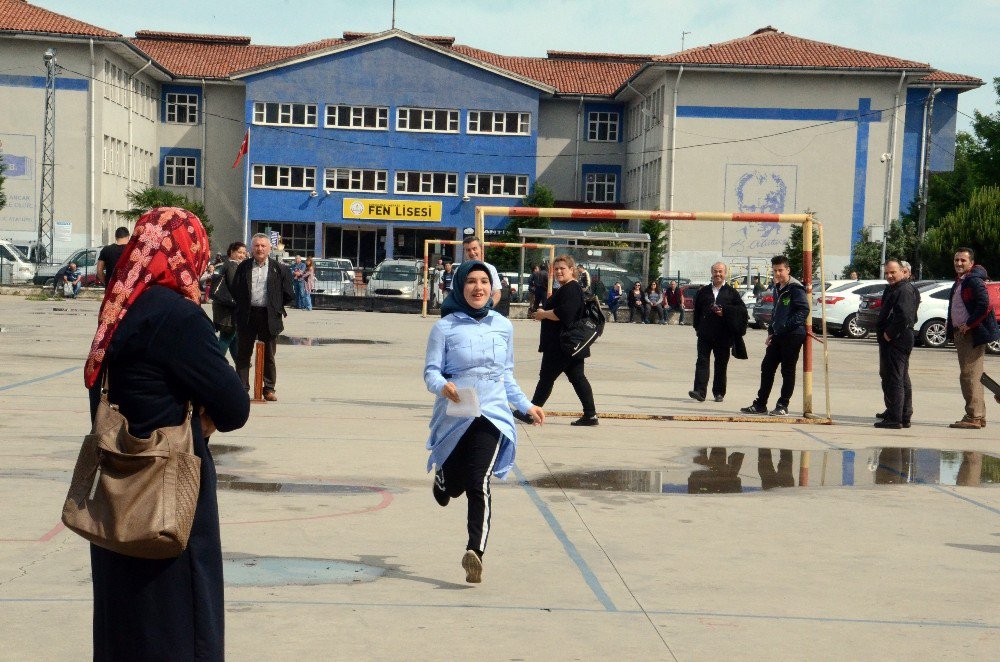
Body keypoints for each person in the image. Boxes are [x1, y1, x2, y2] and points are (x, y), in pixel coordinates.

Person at [82, 206, 250, 661]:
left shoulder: (117, 308)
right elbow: (234, 405)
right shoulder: (177, 316)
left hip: (118, 496)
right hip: (169, 497)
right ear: (187, 253)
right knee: (178, 627)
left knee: (126, 628)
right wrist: (201, 419)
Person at [424, 260, 544, 583]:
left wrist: (526, 405)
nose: (479, 287)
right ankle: (444, 478)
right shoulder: (445, 328)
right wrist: (442, 386)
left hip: (492, 413)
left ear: (493, 289)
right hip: (456, 413)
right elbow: (431, 372)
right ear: (461, 287)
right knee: (455, 482)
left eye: (484, 282)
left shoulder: (504, 326)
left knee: (479, 481)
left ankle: (474, 552)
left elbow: (507, 375)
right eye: (472, 282)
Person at [527, 255, 598, 426]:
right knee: (578, 378)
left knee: (546, 378)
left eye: (562, 268)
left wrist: (543, 314)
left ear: (572, 270)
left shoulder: (571, 288)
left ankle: (531, 414)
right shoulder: (568, 288)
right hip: (569, 344)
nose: (558, 271)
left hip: (561, 344)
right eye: (556, 268)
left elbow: (563, 314)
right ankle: (590, 415)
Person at [741, 255, 809, 416]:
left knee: (787, 370)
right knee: (767, 367)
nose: (778, 273)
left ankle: (783, 405)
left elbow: (803, 310)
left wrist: (786, 326)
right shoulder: (778, 287)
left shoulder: (795, 288)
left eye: (781, 270)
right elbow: (776, 312)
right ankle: (760, 404)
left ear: (788, 270)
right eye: (775, 271)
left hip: (793, 335)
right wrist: (772, 330)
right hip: (778, 335)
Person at [232, 233, 294, 402]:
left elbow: (288, 293)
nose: (260, 249)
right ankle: (242, 388)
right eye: (257, 246)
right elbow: (235, 289)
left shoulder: (279, 268)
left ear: (269, 248)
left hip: (269, 316)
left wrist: (276, 306)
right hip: (247, 315)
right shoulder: (243, 267)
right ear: (252, 248)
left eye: (263, 246)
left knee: (269, 355)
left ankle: (269, 389)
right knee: (243, 353)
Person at [946, 247, 1000, 429]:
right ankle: (977, 415)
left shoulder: (973, 280)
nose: (959, 263)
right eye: (956, 260)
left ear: (971, 263)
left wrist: (969, 324)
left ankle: (974, 416)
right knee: (971, 375)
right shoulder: (962, 281)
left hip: (971, 334)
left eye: (963, 260)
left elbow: (985, 304)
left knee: (970, 375)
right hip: (963, 333)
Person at [690, 262, 747, 403]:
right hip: (705, 334)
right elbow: (696, 312)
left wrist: (726, 312)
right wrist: (697, 328)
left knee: (721, 364)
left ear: (725, 273)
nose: (718, 274)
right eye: (715, 271)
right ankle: (700, 392)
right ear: (711, 272)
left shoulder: (732, 293)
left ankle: (719, 392)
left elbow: (742, 312)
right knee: (702, 362)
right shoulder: (703, 292)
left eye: (721, 271)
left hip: (723, 335)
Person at [874, 259, 920, 429]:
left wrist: (889, 334)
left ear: (903, 272)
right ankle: (901, 413)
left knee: (895, 378)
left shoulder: (905, 290)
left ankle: (896, 418)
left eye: (893, 272)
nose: (890, 276)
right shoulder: (894, 289)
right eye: (887, 273)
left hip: (897, 338)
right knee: (896, 376)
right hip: (894, 338)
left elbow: (904, 316)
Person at [212, 241, 246, 362]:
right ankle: (215, 363)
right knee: (227, 337)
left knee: (233, 338)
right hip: (229, 310)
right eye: (239, 252)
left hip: (224, 307)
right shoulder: (232, 265)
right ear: (232, 252)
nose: (242, 255)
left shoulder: (224, 264)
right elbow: (234, 286)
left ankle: (241, 364)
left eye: (244, 253)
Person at [462, 235, 502, 307]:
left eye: (474, 248)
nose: (472, 252)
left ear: (481, 249)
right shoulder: (459, 270)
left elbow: (496, 292)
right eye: (468, 250)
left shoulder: (491, 269)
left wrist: (488, 307)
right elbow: (454, 292)